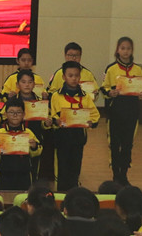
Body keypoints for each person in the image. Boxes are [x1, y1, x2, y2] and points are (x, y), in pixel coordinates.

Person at [101, 37, 142, 186]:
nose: (125, 51)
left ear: (132, 50)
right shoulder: (111, 68)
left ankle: (124, 174)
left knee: (127, 145)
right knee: (114, 144)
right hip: (115, 113)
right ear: (117, 50)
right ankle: (115, 174)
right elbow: (104, 87)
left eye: (128, 48)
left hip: (132, 112)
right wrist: (110, 92)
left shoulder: (138, 69)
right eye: (123, 48)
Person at [50, 61, 100, 191]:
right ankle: (61, 192)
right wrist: (56, 121)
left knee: (75, 166)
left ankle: (73, 191)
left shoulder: (85, 97)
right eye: (70, 75)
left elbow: (95, 114)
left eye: (76, 75)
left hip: (78, 137)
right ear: (64, 77)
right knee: (62, 166)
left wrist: (91, 122)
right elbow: (52, 113)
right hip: (62, 137)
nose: (74, 78)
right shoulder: (56, 96)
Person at [0, 98, 41, 191]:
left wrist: (34, 147)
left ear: (23, 114)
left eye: (18, 112)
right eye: (11, 112)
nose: (15, 115)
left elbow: (37, 152)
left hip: (25, 173)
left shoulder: (28, 132)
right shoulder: (0, 132)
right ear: (5, 114)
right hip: (4, 173)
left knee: (23, 198)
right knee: (4, 197)